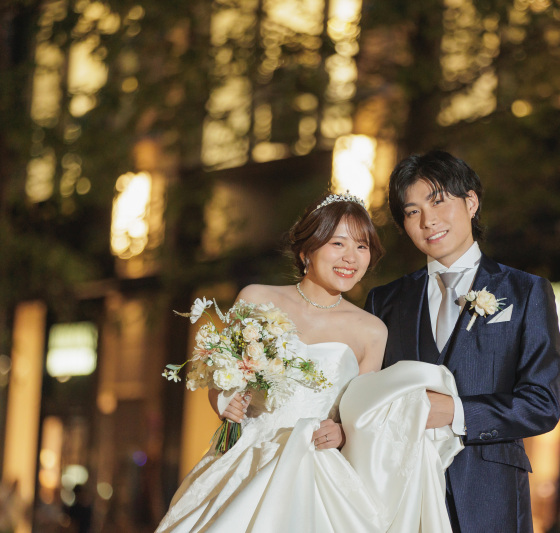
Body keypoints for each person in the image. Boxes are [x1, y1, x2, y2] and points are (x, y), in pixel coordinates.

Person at [156, 192, 463, 533]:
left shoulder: (372, 330)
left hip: (317, 467)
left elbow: (361, 412)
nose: (351, 258)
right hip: (248, 458)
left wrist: (343, 432)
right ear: (306, 251)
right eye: (338, 244)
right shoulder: (256, 298)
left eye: (362, 247)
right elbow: (222, 380)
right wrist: (224, 405)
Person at [365, 150, 560, 533]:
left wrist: (456, 413)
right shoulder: (384, 301)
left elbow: (541, 405)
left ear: (471, 202)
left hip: (490, 499)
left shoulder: (526, 292)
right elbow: (366, 396)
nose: (428, 221)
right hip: (401, 495)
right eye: (412, 212)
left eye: (438, 201)